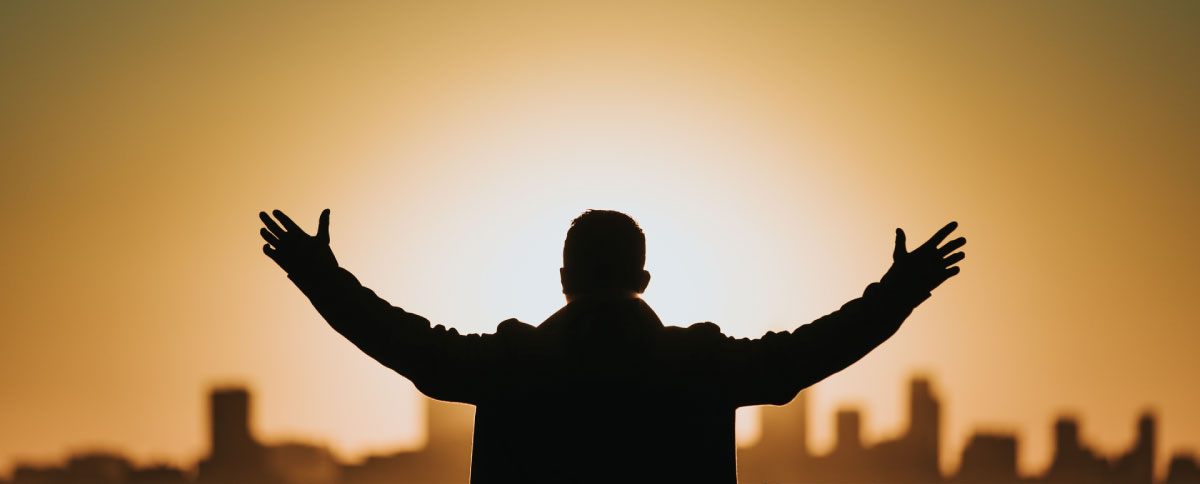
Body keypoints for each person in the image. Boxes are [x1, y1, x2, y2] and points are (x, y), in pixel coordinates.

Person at [259, 208, 965, 483]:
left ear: (563, 280)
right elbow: (814, 351)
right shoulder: (701, 364)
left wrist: (318, 274)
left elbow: (402, 342)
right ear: (645, 278)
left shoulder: (512, 364)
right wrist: (901, 289)